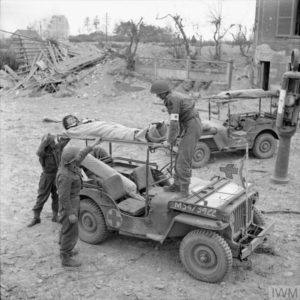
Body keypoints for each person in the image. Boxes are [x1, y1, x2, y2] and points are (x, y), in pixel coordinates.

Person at [150, 80, 202, 197]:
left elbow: (174, 123)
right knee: (179, 157)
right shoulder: (172, 97)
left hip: (192, 126)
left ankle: (184, 191)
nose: (158, 96)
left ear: (164, 92)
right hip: (188, 125)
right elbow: (176, 122)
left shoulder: (173, 99)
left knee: (183, 159)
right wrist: (174, 137)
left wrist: (169, 141)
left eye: (158, 94)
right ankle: (177, 185)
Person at [57, 137, 102, 267]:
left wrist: (93, 144)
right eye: (75, 157)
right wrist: (70, 213)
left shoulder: (70, 164)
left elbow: (81, 155)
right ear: (70, 161)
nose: (78, 158)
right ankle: (65, 257)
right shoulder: (65, 175)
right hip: (69, 204)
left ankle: (64, 249)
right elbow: (63, 197)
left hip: (74, 201)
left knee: (66, 228)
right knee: (70, 230)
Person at [27, 133, 70, 227]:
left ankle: (55, 216)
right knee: (42, 197)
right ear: (47, 144)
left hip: (56, 176)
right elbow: (38, 152)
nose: (54, 143)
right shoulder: (43, 153)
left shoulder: (57, 148)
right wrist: (46, 140)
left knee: (56, 196)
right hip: (46, 177)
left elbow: (66, 140)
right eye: (52, 142)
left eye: (53, 141)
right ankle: (36, 218)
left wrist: (64, 133)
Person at [61, 114, 167, 143]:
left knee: (121, 127)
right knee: (115, 132)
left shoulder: (84, 121)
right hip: (97, 130)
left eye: (71, 118)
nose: (71, 119)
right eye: (68, 120)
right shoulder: (72, 129)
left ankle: (144, 133)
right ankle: (145, 135)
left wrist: (92, 121)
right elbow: (67, 133)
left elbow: (95, 122)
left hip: (101, 125)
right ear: (67, 124)